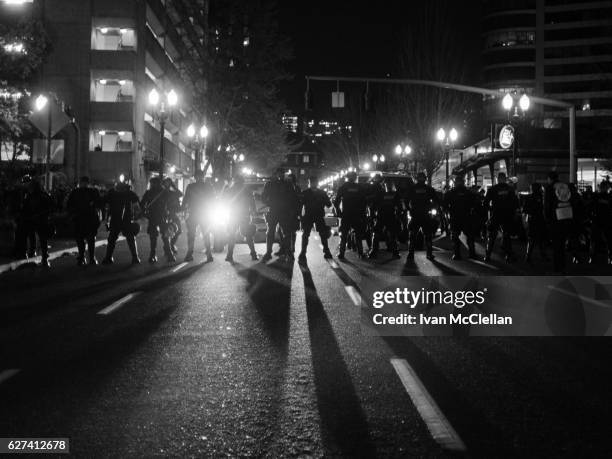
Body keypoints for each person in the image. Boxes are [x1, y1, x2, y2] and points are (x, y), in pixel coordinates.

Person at [261, 168, 297, 261]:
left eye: (281, 173)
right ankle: (280, 252)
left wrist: (270, 203)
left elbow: (263, 198)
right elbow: (263, 197)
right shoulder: (286, 184)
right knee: (277, 232)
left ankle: (275, 252)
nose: (280, 175)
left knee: (277, 232)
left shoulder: (272, 184)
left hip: (278, 211)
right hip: (280, 211)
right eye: (279, 173)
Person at [101, 181, 141, 264]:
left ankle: (134, 257)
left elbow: (136, 205)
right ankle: (134, 258)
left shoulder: (118, 193)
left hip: (122, 218)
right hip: (120, 219)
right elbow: (136, 206)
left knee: (121, 238)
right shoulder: (123, 193)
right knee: (117, 238)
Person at [544, 171, 576, 273]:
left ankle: (558, 267)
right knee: (562, 244)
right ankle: (563, 265)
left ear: (550, 179)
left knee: (556, 245)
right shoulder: (565, 186)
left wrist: (547, 219)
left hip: (555, 219)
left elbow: (547, 206)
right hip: (566, 217)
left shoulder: (549, 188)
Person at [66, 176, 103, 266]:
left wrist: (72, 214)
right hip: (88, 219)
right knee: (88, 240)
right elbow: (99, 203)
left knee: (82, 240)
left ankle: (84, 257)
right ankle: (89, 258)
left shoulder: (76, 192)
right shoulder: (92, 192)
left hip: (82, 219)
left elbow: (69, 205)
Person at [484, 172, 520, 262]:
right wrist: (514, 212)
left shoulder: (493, 189)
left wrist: (490, 209)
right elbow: (515, 202)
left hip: (496, 214)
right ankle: (508, 255)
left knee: (492, 235)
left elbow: (485, 202)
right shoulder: (510, 189)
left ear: (498, 179)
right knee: (507, 235)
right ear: (505, 179)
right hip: (507, 215)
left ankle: (487, 255)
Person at [18, 178, 53, 267]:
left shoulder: (33, 196)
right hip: (37, 220)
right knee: (39, 238)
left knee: (36, 237)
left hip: (37, 219)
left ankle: (37, 255)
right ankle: (41, 256)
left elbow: (25, 208)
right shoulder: (37, 195)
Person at [223, 175, 258, 263]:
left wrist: (225, 187)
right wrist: (253, 211)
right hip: (243, 215)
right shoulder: (246, 190)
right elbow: (252, 202)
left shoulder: (232, 189)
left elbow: (224, 199)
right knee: (248, 235)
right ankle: (253, 254)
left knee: (232, 235)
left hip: (235, 215)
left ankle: (230, 255)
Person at [334, 170, 367, 260]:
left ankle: (341, 253)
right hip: (357, 214)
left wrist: (338, 212)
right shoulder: (359, 187)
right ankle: (361, 253)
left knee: (344, 235)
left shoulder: (343, 187)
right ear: (355, 178)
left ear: (347, 177)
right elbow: (364, 202)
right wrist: (362, 214)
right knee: (358, 235)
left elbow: (336, 201)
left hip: (346, 214)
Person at [183, 171, 216, 262]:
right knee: (203, 234)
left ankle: (194, 253)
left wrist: (183, 208)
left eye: (199, 176)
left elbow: (186, 199)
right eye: (198, 176)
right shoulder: (207, 186)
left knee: (193, 234)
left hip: (198, 213)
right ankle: (207, 254)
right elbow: (213, 199)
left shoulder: (191, 186)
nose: (199, 178)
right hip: (201, 213)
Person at [444, 175, 479, 260]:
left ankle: (457, 254)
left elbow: (445, 204)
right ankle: (472, 253)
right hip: (466, 216)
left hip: (456, 216)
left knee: (455, 236)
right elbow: (475, 203)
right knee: (469, 236)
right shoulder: (468, 192)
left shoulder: (451, 192)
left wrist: (448, 212)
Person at [405, 172, 438, 261]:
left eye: (421, 177)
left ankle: (412, 253)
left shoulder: (414, 188)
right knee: (425, 235)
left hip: (419, 214)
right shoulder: (428, 189)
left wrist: (409, 209)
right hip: (421, 214)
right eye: (420, 177)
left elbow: (406, 200)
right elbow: (436, 200)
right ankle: (427, 254)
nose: (421, 179)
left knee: (418, 235)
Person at [299, 176, 333, 262]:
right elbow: (329, 204)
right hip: (319, 215)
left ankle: (303, 253)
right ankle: (326, 251)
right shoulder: (322, 193)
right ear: (317, 183)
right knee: (322, 234)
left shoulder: (305, 193)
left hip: (309, 216)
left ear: (309, 183)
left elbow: (300, 205)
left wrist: (301, 216)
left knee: (306, 235)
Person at [141, 176, 174, 263]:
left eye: (153, 183)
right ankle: (155, 255)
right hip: (155, 216)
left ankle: (168, 254)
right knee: (156, 237)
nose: (152, 185)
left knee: (163, 236)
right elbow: (142, 204)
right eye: (152, 183)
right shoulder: (150, 193)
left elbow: (172, 201)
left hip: (161, 216)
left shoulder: (164, 192)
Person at [368, 179, 401, 260]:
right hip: (385, 216)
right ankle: (375, 251)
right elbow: (373, 206)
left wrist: (372, 215)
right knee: (378, 234)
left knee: (387, 235)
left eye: (389, 185)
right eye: (387, 185)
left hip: (386, 216)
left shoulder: (383, 194)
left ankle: (393, 252)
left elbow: (399, 206)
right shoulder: (384, 194)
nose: (388, 186)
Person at [522, 182, 548, 264]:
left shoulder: (529, 197)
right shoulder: (543, 197)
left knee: (531, 238)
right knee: (542, 239)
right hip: (541, 219)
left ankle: (528, 256)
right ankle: (543, 255)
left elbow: (525, 210)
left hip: (532, 220)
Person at [12, 175, 37, 259]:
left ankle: (31, 251)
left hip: (29, 217)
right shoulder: (22, 192)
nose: (25, 184)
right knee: (24, 235)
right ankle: (23, 251)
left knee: (29, 234)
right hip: (24, 217)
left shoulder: (31, 192)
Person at [588, 180, 612, 264]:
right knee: (608, 239)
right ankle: (609, 257)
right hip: (606, 220)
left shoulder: (596, 197)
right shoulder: (609, 197)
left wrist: (591, 217)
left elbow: (590, 207)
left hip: (597, 219)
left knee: (594, 239)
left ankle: (593, 257)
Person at [163, 177, 183, 254]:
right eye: (166, 183)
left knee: (178, 230)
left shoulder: (172, 193)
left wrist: (173, 186)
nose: (167, 184)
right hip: (164, 215)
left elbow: (180, 194)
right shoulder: (162, 193)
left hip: (173, 214)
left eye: (169, 183)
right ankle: (168, 247)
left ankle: (171, 245)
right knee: (166, 232)